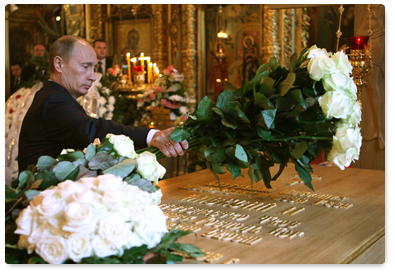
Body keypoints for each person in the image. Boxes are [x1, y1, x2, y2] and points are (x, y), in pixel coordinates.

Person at [18, 35, 188, 173]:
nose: (92, 76)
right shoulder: (53, 99)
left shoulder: (54, 95)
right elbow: (90, 129)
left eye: (94, 68)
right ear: (58, 64)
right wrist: (151, 136)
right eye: (86, 67)